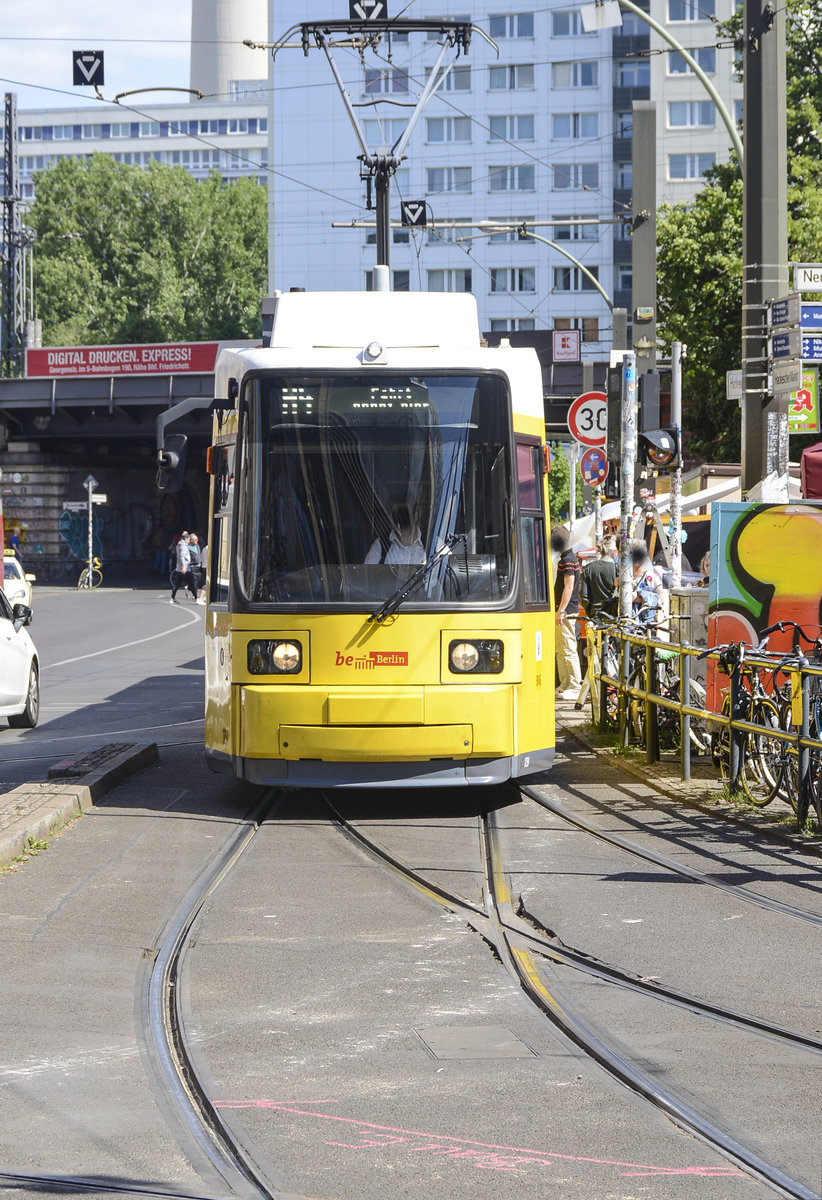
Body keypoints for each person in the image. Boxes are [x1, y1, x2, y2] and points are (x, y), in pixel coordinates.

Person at [551, 526, 583, 701]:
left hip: (566, 610)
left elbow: (569, 587)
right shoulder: (568, 558)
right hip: (564, 610)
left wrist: (561, 610)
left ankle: (574, 685)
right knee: (561, 648)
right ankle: (565, 684)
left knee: (568, 648)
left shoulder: (568, 560)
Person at [579, 536, 618, 623]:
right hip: (613, 614)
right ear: (614, 551)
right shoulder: (618, 569)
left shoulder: (588, 568)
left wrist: (589, 611)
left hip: (595, 613)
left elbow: (583, 595)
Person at [630, 539, 665, 624]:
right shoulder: (624, 575)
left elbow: (661, 600)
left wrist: (639, 599)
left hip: (645, 625)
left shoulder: (651, 576)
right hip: (625, 623)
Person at [170, 530, 197, 603]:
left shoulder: (179, 545)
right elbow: (182, 556)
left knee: (177, 584)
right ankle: (197, 598)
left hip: (179, 568)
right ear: (185, 539)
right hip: (185, 568)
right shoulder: (183, 546)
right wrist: (184, 566)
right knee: (191, 583)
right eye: (188, 539)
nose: (189, 540)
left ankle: (172, 598)